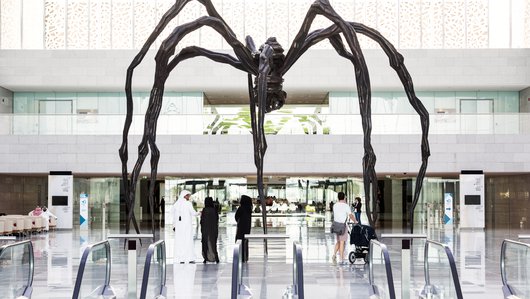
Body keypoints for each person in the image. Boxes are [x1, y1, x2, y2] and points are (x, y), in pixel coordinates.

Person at [172, 190, 198, 263]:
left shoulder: (176, 204)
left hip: (179, 227)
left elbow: (174, 216)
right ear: (184, 196)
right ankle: (189, 258)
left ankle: (181, 258)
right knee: (188, 240)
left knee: (180, 242)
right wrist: (199, 213)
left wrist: (174, 225)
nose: (189, 197)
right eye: (188, 195)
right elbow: (193, 213)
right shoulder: (188, 204)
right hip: (187, 226)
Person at [332, 192, 355, 264]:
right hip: (342, 226)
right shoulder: (346, 206)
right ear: (344, 197)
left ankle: (334, 255)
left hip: (336, 225)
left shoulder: (335, 205)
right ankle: (341, 260)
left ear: (338, 197)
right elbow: (350, 215)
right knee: (342, 242)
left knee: (338, 241)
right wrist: (355, 221)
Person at [200, 197, 220, 263]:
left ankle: (206, 258)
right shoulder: (214, 210)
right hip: (213, 229)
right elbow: (217, 219)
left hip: (205, 230)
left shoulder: (205, 210)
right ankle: (216, 257)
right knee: (213, 243)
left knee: (205, 243)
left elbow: (202, 221)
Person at [235, 195, 252, 262]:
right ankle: (245, 256)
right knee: (245, 242)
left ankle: (240, 256)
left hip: (241, 228)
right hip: (247, 228)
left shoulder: (241, 208)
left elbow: (236, 217)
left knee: (239, 242)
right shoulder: (249, 209)